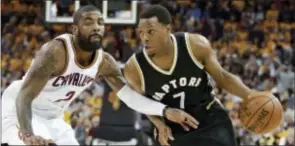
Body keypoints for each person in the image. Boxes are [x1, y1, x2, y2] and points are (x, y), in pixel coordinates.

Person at [1, 5, 198, 146]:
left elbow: (130, 97)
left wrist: (162, 115)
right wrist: (27, 135)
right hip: (20, 107)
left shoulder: (104, 62)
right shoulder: (55, 52)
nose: (97, 27)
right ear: (75, 29)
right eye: (89, 22)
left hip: (53, 116)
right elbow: (24, 96)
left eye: (100, 22)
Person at [123, 5, 263, 146]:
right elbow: (144, 103)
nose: (145, 38)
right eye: (141, 33)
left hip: (210, 120)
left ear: (167, 29)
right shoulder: (134, 69)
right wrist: (158, 123)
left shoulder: (194, 46)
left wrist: (250, 96)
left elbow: (222, 76)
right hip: (171, 129)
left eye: (150, 31)